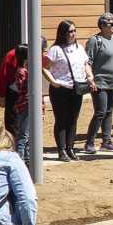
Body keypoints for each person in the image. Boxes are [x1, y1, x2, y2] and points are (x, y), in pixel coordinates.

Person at [44, 20, 92, 163]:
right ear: (63, 33)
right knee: (61, 119)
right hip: (60, 89)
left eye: (74, 31)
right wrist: (53, 81)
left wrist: (90, 75)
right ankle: (61, 150)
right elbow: (45, 67)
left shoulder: (79, 48)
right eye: (69, 31)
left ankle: (70, 148)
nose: (72, 34)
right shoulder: (56, 49)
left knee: (73, 119)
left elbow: (85, 64)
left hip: (76, 88)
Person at [83, 14, 113, 154]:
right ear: (101, 25)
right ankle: (89, 142)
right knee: (100, 112)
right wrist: (91, 79)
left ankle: (106, 142)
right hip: (100, 82)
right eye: (111, 23)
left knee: (109, 112)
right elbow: (87, 61)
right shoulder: (95, 40)